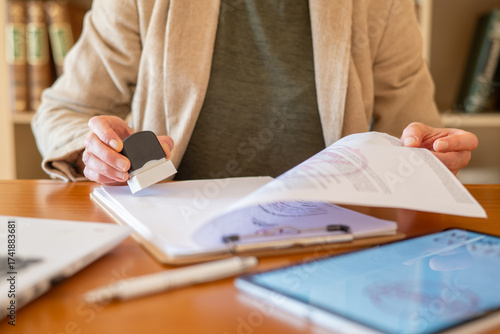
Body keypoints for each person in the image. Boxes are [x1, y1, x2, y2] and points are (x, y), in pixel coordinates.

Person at [31, 0, 478, 185]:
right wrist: (96, 151)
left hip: (333, 238)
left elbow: (414, 132)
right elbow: (64, 110)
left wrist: (430, 152)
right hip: (175, 234)